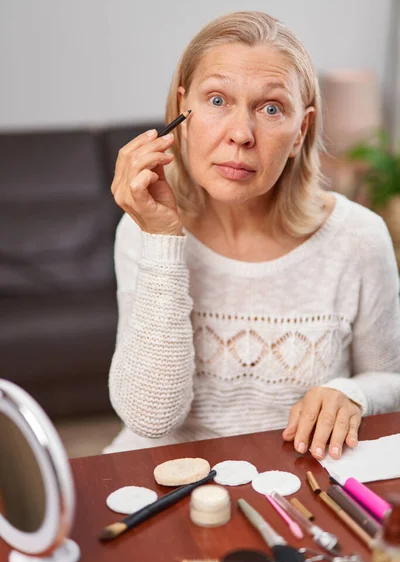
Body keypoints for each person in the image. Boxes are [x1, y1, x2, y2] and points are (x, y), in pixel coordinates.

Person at [104, 11, 400, 458]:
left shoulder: (359, 238)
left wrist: (353, 395)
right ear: (181, 110)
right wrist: (163, 242)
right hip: (163, 481)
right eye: (218, 100)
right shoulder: (143, 228)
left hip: (295, 486)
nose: (240, 134)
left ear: (301, 130)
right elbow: (151, 419)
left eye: (271, 108)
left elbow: (392, 380)